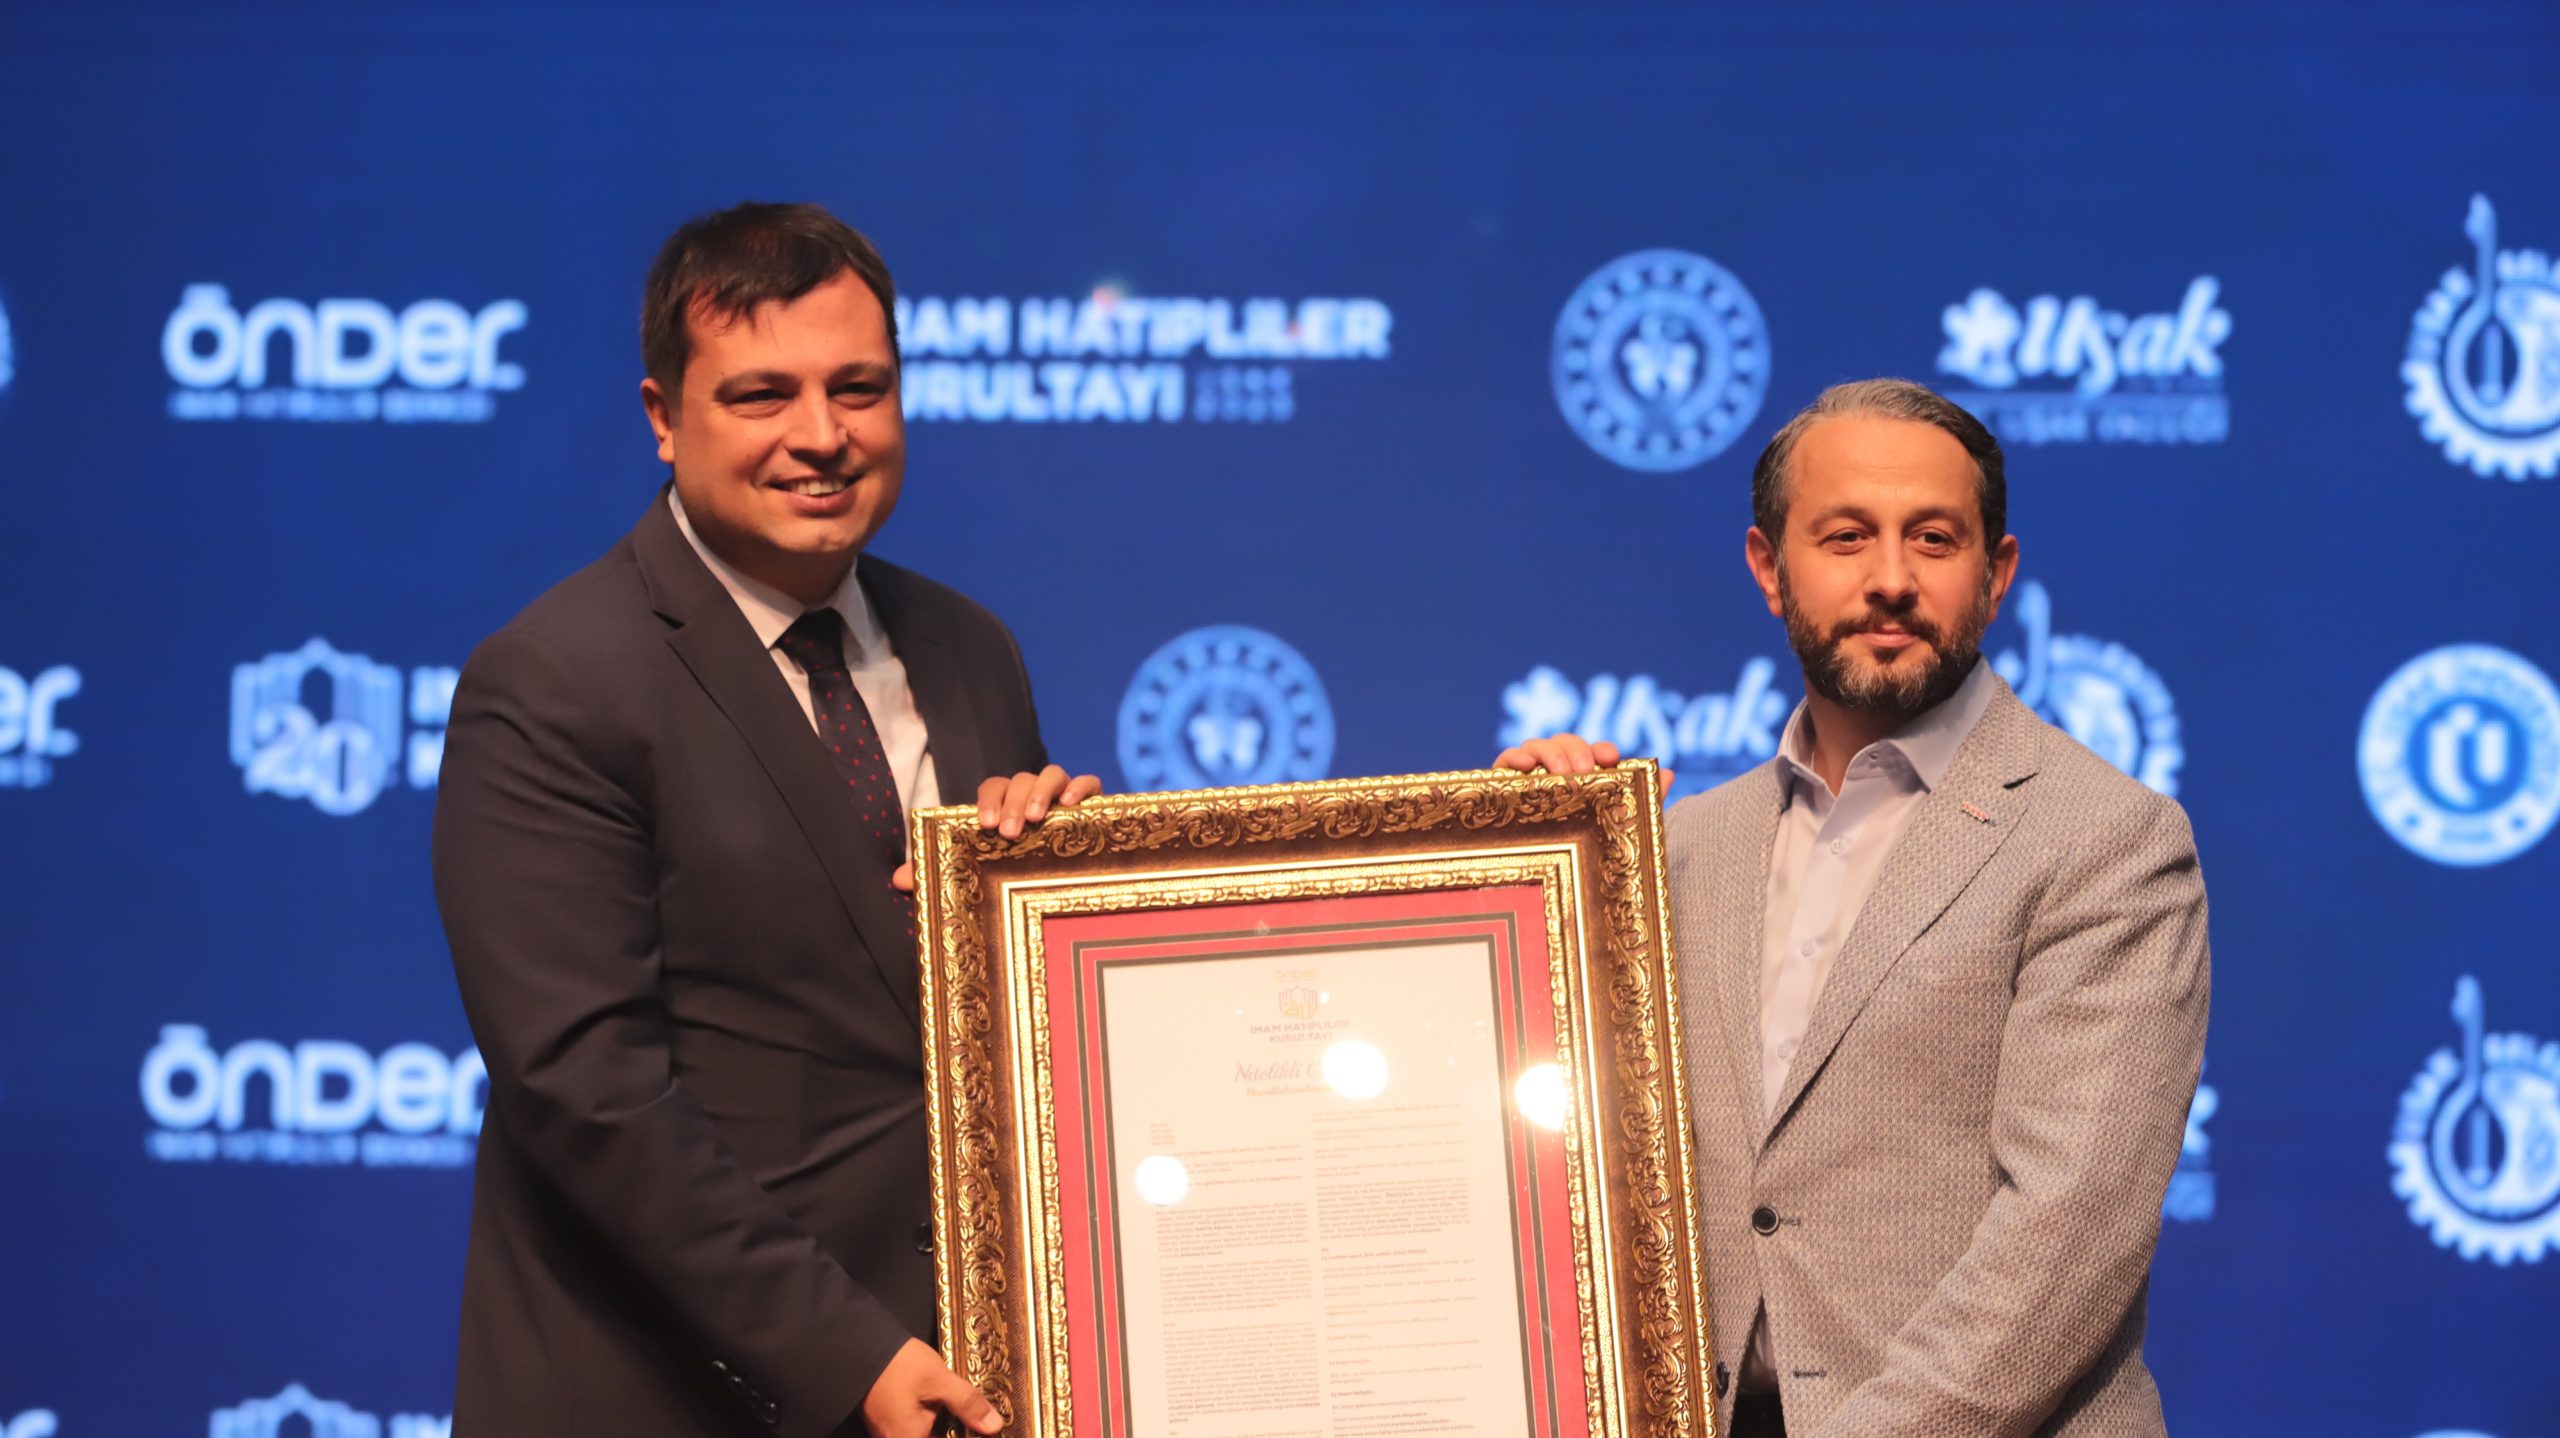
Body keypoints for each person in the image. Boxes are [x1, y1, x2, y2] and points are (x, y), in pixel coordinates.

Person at [433, 202, 1101, 1438]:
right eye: (760, 396)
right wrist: (847, 1352)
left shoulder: (970, 647)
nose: (822, 435)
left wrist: (1062, 892)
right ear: (661, 416)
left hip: (962, 1378)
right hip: (672, 1396)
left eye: (859, 388)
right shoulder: (554, 679)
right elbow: (586, 1091)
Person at [1500, 379, 2207, 1437]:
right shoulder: (1677, 849)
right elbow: (1566, 1166)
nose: (1889, 579)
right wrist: (1523, 867)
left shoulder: (2107, 839)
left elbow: (2067, 1236)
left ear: (1995, 574)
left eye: (1933, 538)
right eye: (1845, 537)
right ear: (1768, 568)